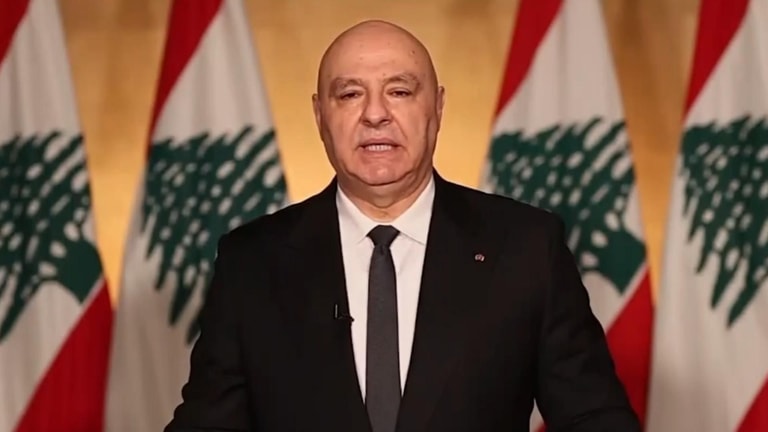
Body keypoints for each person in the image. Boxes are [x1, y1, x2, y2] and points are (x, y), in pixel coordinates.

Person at [164, 19, 640, 432]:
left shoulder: (526, 247)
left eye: (399, 91)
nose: (375, 114)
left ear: (437, 107)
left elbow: (594, 419)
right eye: (350, 94)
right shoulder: (252, 262)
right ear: (320, 115)